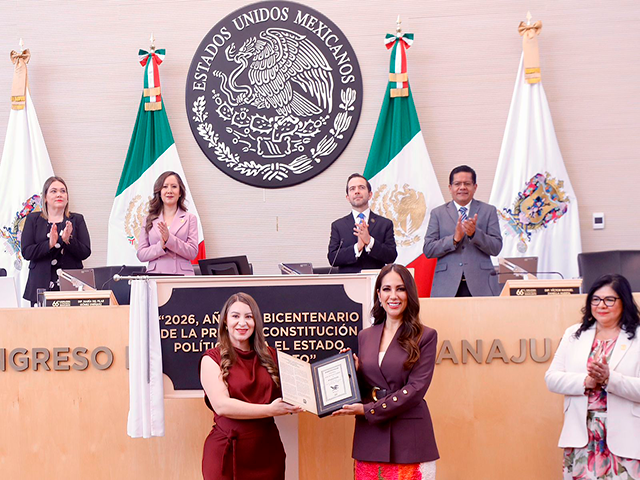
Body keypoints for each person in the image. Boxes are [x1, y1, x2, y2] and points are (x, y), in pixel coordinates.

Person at [333, 264, 439, 479]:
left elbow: (416, 389)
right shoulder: (365, 336)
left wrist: (368, 410)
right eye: (387, 289)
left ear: (410, 294)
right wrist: (354, 373)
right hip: (370, 437)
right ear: (379, 294)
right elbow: (367, 385)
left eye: (400, 289)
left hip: (409, 438)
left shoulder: (425, 336)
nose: (393, 296)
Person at [545, 274, 640, 479]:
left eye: (609, 300)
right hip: (581, 437)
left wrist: (609, 379)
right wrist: (586, 382)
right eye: (595, 299)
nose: (601, 305)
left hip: (627, 438)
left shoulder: (638, 337)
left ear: (624, 302)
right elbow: (551, 378)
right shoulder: (574, 334)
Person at [199, 292, 301, 480]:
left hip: (267, 453)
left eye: (249, 316)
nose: (242, 323)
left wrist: (345, 368)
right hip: (226, 454)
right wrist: (270, 410)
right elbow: (222, 406)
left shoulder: (271, 356)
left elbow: (302, 386)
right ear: (225, 321)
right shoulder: (211, 359)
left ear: (256, 322)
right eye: (235, 316)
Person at [423, 165, 502, 297]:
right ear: (450, 188)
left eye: (467, 184)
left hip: (482, 285)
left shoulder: (489, 211)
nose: (462, 187)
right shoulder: (438, 213)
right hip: (447, 285)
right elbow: (428, 249)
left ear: (475, 187)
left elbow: (496, 248)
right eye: (457, 184)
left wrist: (475, 234)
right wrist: (454, 239)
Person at [21, 176, 91, 306]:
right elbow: (26, 252)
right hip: (40, 285)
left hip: (71, 286)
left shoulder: (77, 219)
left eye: (63, 191)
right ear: (45, 197)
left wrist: (68, 240)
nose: (59, 194)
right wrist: (48, 244)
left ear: (67, 197)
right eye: (54, 191)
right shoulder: (33, 219)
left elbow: (85, 252)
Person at [327, 173, 397, 273]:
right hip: (348, 280)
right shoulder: (338, 226)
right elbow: (332, 258)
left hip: (376, 280)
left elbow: (391, 256)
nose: (357, 191)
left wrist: (370, 241)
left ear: (370, 195)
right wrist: (358, 247)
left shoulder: (385, 224)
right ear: (348, 197)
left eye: (361, 187)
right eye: (352, 189)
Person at [137, 171, 198, 275]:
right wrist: (161, 245)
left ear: (180, 192)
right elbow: (141, 255)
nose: (169, 191)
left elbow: (192, 252)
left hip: (182, 276)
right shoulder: (148, 219)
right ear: (159, 192)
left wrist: (169, 239)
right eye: (165, 187)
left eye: (174, 186)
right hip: (155, 276)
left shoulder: (190, 218)